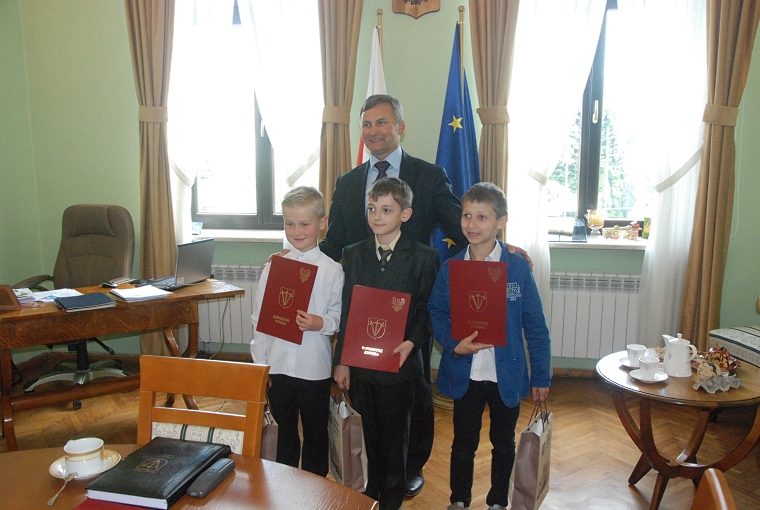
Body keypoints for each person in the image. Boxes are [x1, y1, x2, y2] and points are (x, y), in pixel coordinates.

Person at [320, 94, 466, 497]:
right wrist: (296, 261)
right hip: (364, 318)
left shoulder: (429, 175)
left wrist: (500, 247)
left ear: (400, 127)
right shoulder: (348, 183)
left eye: (381, 122)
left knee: (414, 394)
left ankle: (410, 465)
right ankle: (371, 466)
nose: (373, 131)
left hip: (411, 312)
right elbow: (333, 244)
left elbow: (460, 226)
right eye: (366, 124)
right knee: (368, 399)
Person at [428, 182, 551, 510]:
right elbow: (436, 311)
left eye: (482, 217)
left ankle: (498, 501)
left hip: (505, 375)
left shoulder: (517, 268)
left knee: (504, 443)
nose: (472, 224)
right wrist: (453, 345)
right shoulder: (451, 268)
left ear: (501, 221)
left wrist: (541, 375)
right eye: (467, 215)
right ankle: (459, 500)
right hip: (465, 374)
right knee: (463, 443)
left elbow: (535, 325)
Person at [333, 177, 439, 510]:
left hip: (400, 364)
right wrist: (342, 361)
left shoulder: (424, 257)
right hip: (362, 364)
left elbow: (427, 309)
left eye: (386, 210)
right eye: (372, 208)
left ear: (405, 214)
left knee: (395, 436)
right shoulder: (353, 254)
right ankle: (372, 492)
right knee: (368, 432)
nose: (377, 216)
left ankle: (392, 498)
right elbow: (348, 310)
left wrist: (412, 342)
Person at [250, 186, 344, 477]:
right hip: (278, 366)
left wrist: (320, 323)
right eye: (289, 224)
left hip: (313, 368)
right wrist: (260, 365)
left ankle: (315, 486)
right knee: (284, 431)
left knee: (316, 431)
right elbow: (259, 318)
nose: (297, 231)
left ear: (322, 223)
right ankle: (285, 484)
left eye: (304, 224)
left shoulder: (333, 270)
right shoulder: (273, 267)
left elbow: (338, 317)